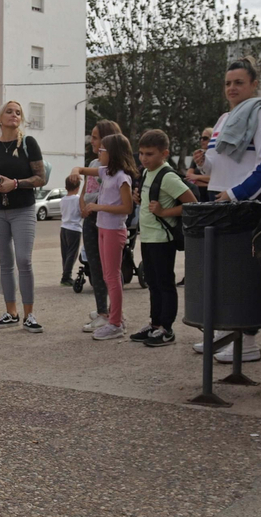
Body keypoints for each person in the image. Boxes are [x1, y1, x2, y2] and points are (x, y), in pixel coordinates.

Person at [193, 58, 261, 362]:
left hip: (247, 205)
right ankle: (223, 332)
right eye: (228, 83)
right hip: (221, 203)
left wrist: (236, 194)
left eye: (239, 82)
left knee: (246, 275)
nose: (232, 88)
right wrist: (204, 162)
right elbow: (219, 166)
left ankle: (249, 343)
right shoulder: (222, 119)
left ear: (254, 84)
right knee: (221, 273)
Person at [0, 101, 46, 333]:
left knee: (24, 260)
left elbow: (41, 178)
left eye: (18, 112)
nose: (14, 115)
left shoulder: (28, 143)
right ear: (0, 118)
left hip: (23, 209)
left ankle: (29, 314)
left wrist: (15, 184)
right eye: (9, 111)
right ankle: (11, 312)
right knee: (5, 263)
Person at [131, 130, 195, 347]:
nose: (143, 158)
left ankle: (166, 329)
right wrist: (139, 200)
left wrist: (163, 212)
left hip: (163, 239)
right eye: (140, 153)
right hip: (148, 237)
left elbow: (192, 203)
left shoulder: (167, 176)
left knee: (165, 284)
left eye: (149, 154)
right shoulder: (147, 172)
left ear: (164, 153)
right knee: (153, 283)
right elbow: (153, 202)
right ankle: (155, 323)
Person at [82, 134, 136, 340]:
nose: (98, 153)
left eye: (102, 150)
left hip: (114, 230)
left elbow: (127, 207)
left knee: (112, 277)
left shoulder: (122, 177)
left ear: (112, 153)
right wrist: (75, 171)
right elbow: (87, 170)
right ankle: (116, 318)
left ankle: (115, 323)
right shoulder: (106, 172)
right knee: (107, 276)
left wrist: (98, 206)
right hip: (103, 228)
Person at [77, 120, 121, 333]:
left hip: (105, 220)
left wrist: (92, 207)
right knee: (94, 265)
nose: (91, 141)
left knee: (108, 269)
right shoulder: (93, 164)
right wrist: (83, 206)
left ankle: (112, 313)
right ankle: (101, 309)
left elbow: (110, 196)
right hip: (90, 219)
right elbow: (85, 190)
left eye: (95, 137)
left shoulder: (112, 169)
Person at [59, 173, 83, 286]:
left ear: (66, 187)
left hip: (63, 228)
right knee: (72, 253)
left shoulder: (63, 199)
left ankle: (65, 273)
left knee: (65, 253)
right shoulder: (78, 199)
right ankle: (66, 276)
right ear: (78, 188)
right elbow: (81, 212)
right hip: (74, 228)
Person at [186, 128, 215, 203]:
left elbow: (217, 178)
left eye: (205, 138)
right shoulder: (198, 155)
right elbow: (189, 176)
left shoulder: (216, 156)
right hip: (198, 195)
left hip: (211, 195)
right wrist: (207, 182)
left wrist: (196, 177)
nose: (202, 140)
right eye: (201, 138)